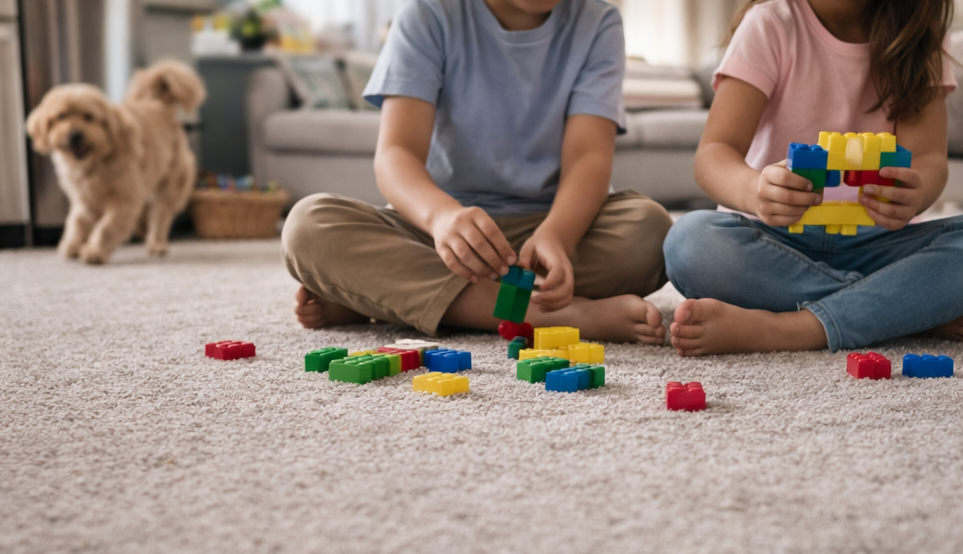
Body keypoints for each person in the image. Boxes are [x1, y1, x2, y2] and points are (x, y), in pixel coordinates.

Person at [280, 0, 673, 343]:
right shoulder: (427, 15)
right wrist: (442, 217)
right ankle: (545, 316)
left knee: (651, 231)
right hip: (439, 232)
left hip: (547, 232)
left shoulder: (598, 21)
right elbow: (396, 153)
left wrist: (558, 235)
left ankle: (389, 298)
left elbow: (589, 158)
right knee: (308, 226)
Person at [663, 0, 963, 356]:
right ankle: (904, 308)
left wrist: (918, 190)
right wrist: (755, 190)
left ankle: (794, 329)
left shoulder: (919, 34)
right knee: (689, 242)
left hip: (879, 244)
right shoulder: (770, 24)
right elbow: (715, 152)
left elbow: (928, 157)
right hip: (773, 241)